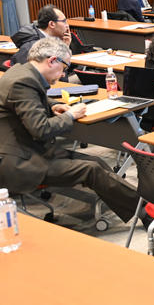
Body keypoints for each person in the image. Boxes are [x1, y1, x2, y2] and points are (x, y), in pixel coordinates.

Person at [0, 38, 139, 223]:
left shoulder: (20, 71)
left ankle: (138, 209)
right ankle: (148, 213)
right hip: (20, 163)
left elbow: (34, 97)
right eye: (64, 67)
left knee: (96, 161)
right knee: (91, 169)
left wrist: (53, 105)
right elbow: (41, 129)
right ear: (52, 61)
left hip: (28, 150)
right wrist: (70, 116)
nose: (64, 73)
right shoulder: (24, 82)